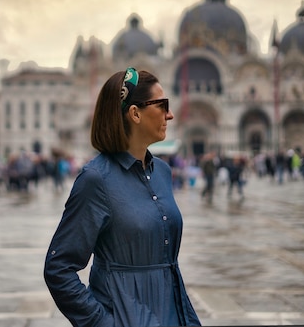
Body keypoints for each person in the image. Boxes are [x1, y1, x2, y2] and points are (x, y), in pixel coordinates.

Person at [43, 68, 201, 327]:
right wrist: (102, 323)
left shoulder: (162, 171)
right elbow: (58, 268)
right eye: (162, 105)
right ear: (135, 113)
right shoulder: (96, 179)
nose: (170, 114)